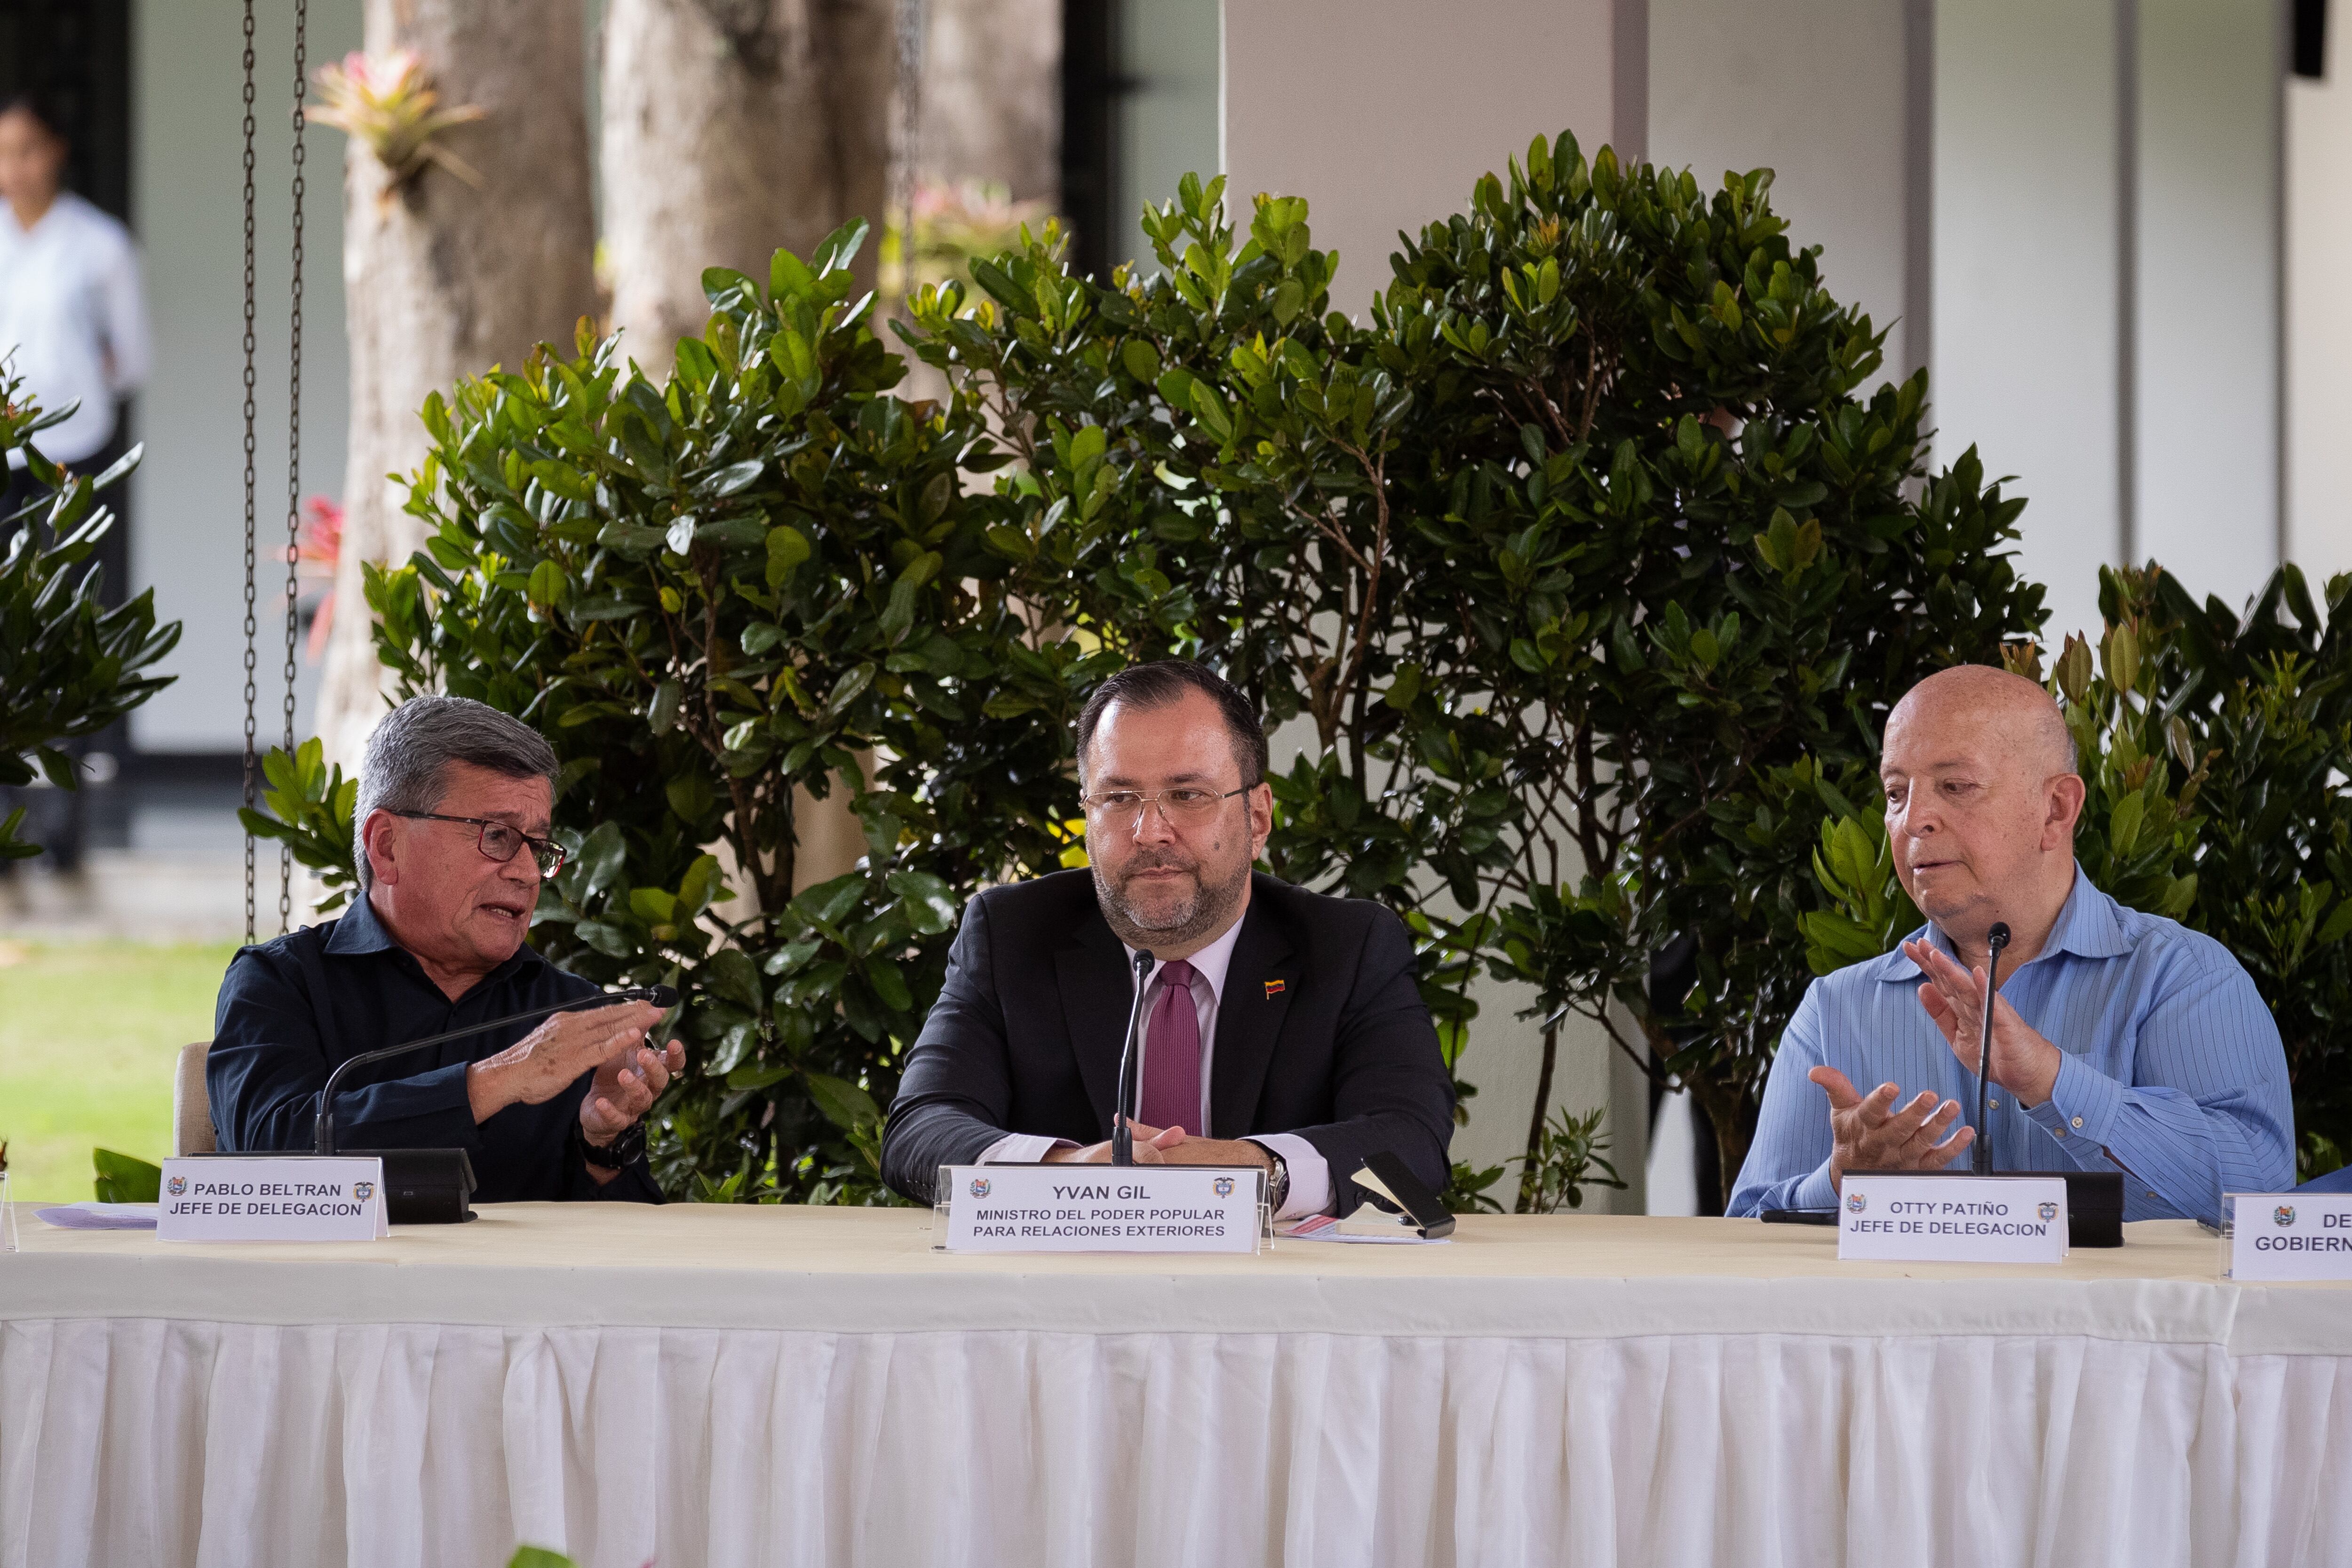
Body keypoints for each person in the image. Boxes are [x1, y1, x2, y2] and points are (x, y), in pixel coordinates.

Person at [880, 660, 1456, 1216]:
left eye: (1187, 795)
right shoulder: (1011, 935)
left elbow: (1410, 1142)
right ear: (1087, 814)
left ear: (1256, 818)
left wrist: (1244, 1172)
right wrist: (1065, 1171)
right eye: (1118, 798)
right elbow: (922, 1128)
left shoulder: (1348, 947)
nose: (1150, 831)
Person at [1726, 664, 2294, 1226]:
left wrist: (2052, 1082)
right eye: (1895, 793)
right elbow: (1742, 1235)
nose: (1912, 820)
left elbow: (2263, 1202)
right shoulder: (1836, 1009)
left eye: (1955, 786)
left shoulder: (2181, 976)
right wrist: (1840, 1183)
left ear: (2056, 810)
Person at [208, 696, 681, 1202]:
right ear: (387, 846)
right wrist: (502, 1078)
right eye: (497, 836)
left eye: (537, 846)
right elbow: (260, 1163)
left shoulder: (571, 1015)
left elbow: (621, 1254)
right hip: (335, 1282)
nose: (525, 872)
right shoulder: (281, 983)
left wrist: (603, 1148)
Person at [0, 89, 151, 873]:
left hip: (72, 452)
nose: (13, 169)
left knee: (71, 622)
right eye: (1, 153)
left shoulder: (98, 244)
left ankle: (69, 820)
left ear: (54, 150)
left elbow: (131, 359)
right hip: (2, 457)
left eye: (25, 151)